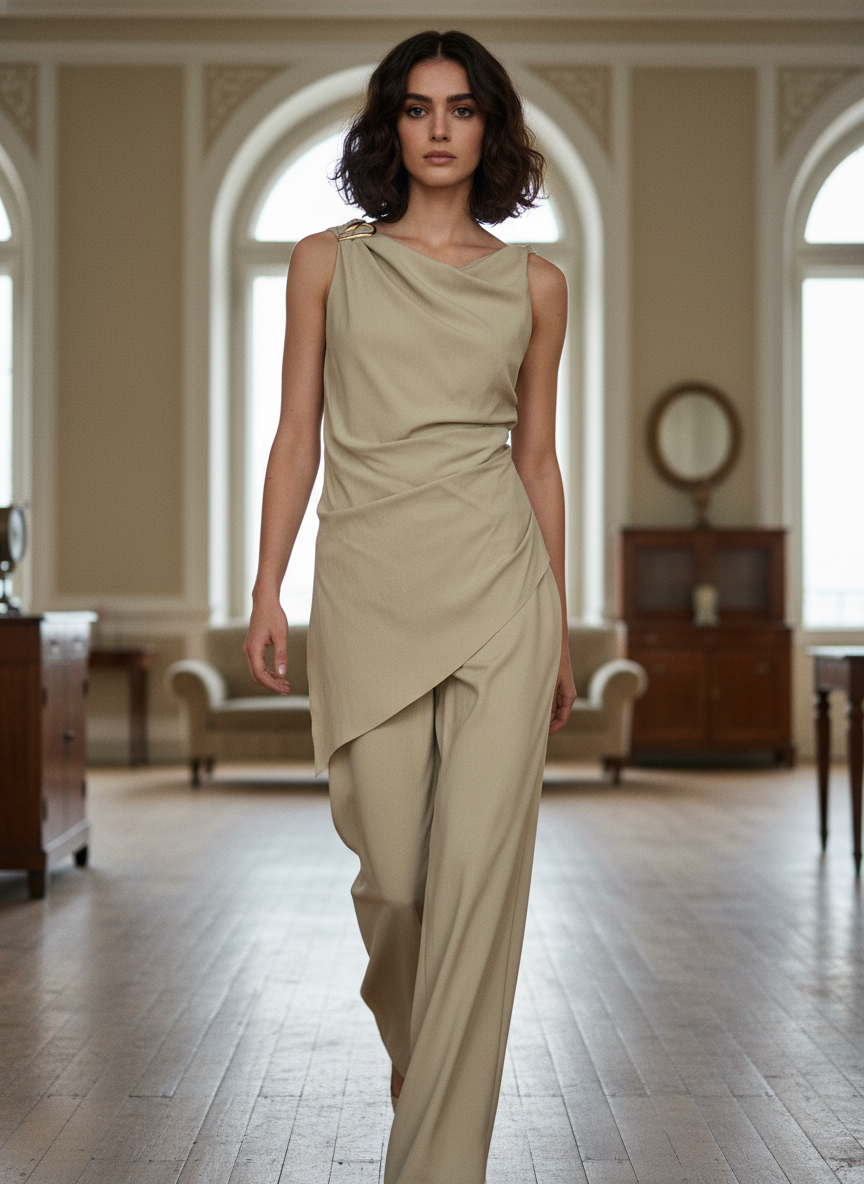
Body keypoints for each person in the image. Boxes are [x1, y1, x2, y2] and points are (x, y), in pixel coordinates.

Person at [243, 28, 577, 1184]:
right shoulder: (325, 261)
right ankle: (419, 1050)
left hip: (501, 590)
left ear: (492, 128)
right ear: (391, 126)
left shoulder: (538, 283)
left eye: (463, 108)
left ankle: (434, 1163)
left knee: (480, 883)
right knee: (393, 874)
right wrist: (265, 581)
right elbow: (297, 435)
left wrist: (564, 626)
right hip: (369, 584)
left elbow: (537, 460)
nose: (440, 129)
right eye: (419, 108)